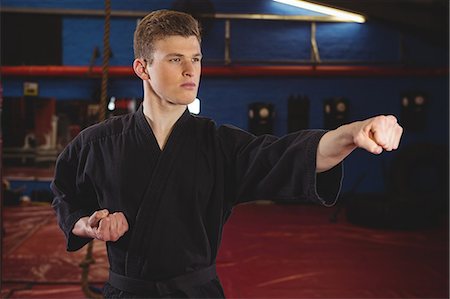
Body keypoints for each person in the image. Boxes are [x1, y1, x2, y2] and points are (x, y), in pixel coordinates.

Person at [51, 9, 403, 298]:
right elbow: (67, 196)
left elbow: (286, 156)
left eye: (196, 59)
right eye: (176, 59)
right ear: (142, 67)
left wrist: (350, 134)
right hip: (128, 292)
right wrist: (90, 225)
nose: (191, 70)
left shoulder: (219, 145)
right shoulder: (97, 143)